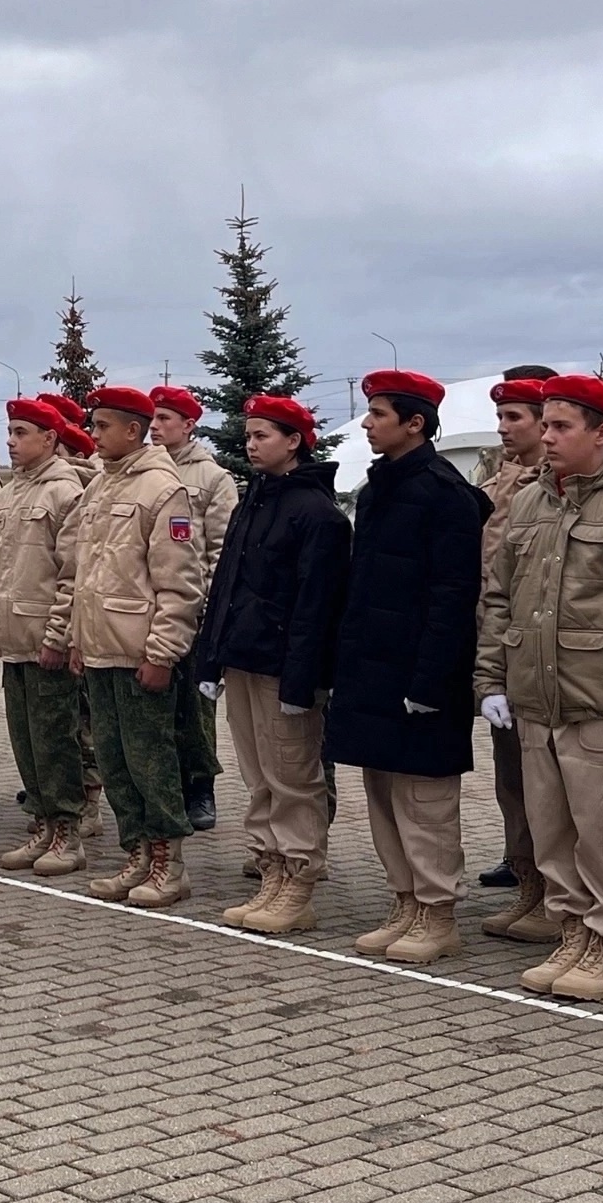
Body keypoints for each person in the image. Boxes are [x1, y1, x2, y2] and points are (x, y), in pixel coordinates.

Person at [477, 375, 603, 1002]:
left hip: (600, 700)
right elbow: (500, 596)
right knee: (552, 828)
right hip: (537, 698)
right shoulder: (532, 501)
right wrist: (493, 678)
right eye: (548, 425)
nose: (548, 437)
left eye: (562, 427)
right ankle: (572, 932)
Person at [331, 370, 489, 966]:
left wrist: (429, 680)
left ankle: (438, 910)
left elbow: (453, 594)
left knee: (425, 800)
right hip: (373, 666)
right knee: (382, 790)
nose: (367, 424)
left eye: (378, 414)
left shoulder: (443, 493)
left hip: (421, 673)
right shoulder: (378, 490)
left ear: (415, 423)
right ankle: (406, 900)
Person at [195, 394, 350, 934]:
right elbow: (227, 585)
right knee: (259, 777)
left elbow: (316, 606)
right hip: (243, 659)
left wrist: (302, 680)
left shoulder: (316, 513)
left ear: (294, 442)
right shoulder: (253, 501)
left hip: (284, 667)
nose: (251, 444)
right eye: (249, 434)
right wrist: (210, 660)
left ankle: (299, 882)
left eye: (263, 435)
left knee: (293, 779)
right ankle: (271, 871)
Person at [61, 385, 205, 907]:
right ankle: (139, 853)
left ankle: (169, 863)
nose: (93, 435)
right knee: (116, 761)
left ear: (132, 430)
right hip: (101, 647)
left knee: (151, 760)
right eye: (93, 425)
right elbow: (83, 573)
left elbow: (180, 583)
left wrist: (163, 652)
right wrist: (78, 636)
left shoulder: (163, 490)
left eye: (102, 426)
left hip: (139, 651)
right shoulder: (101, 487)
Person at [0, 399, 88, 873]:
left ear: (50, 439)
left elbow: (72, 574)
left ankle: (67, 832)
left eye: (22, 433)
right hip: (13, 635)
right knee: (24, 738)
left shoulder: (65, 493)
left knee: (55, 738)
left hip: (45, 637)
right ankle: (42, 823)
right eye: (9, 432)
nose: (10, 441)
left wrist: (59, 634)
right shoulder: (7, 492)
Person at [475, 367, 559, 935]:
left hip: (545, 649)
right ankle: (527, 879)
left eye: (515, 417)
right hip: (498, 642)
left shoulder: (551, 483)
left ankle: (559, 896)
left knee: (550, 783)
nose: (504, 428)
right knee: (512, 779)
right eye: (500, 418)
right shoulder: (496, 477)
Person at [152, 386, 239, 833]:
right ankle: (164, 789)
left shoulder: (211, 478)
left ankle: (201, 787)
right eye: (152, 418)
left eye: (165, 419)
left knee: (194, 708)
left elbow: (222, 549)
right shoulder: (146, 473)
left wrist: (206, 604)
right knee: (157, 707)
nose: (154, 426)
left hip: (195, 610)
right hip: (150, 609)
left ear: (188, 425)